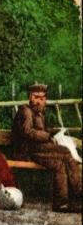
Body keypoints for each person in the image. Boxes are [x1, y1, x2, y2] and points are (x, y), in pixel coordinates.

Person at [12, 83, 82, 213]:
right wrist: (48, 136)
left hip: (37, 149)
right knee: (66, 152)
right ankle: (78, 194)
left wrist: (54, 132)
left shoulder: (39, 113)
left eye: (42, 98)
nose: (39, 101)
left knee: (59, 164)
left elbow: (42, 131)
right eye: (36, 97)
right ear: (30, 97)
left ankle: (63, 203)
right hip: (26, 150)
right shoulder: (25, 111)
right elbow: (27, 132)